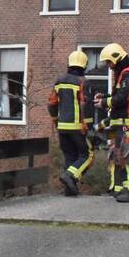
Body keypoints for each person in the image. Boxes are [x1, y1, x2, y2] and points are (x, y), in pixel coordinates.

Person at [94, 43, 129, 203]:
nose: (109, 67)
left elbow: (123, 97)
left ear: (116, 58)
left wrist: (104, 103)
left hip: (127, 123)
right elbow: (119, 95)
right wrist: (106, 97)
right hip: (121, 122)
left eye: (109, 62)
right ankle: (122, 188)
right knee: (119, 156)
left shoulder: (128, 74)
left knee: (126, 157)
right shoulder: (124, 73)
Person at [48, 50, 94, 196]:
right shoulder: (83, 82)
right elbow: (85, 105)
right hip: (77, 127)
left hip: (62, 127)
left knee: (70, 157)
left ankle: (69, 189)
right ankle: (71, 176)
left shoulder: (59, 81)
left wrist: (56, 121)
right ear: (84, 65)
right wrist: (88, 126)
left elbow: (51, 104)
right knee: (88, 155)